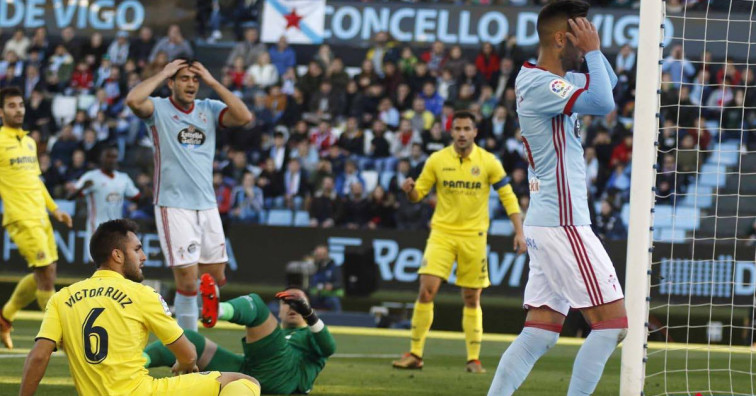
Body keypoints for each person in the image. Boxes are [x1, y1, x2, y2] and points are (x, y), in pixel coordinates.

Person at [487, 2, 627, 395]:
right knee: (612, 325)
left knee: (540, 333)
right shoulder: (537, 83)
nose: (586, 38)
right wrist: (593, 51)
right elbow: (603, 103)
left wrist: (590, 52)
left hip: (548, 221)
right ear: (561, 38)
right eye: (579, 33)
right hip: (563, 223)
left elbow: (607, 85)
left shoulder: (555, 81)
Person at [19, 219, 259, 396]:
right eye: (137, 249)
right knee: (244, 382)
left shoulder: (62, 298)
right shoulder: (143, 295)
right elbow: (188, 354)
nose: (143, 256)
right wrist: (185, 365)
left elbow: (39, 357)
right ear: (117, 255)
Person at [392, 111, 526, 373]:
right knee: (426, 290)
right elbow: (419, 194)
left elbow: (508, 196)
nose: (462, 133)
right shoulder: (437, 160)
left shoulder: (489, 162)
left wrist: (519, 232)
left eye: (467, 128)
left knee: (471, 298)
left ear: (475, 132)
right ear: (451, 132)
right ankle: (416, 354)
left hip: (474, 236)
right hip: (442, 233)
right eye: (458, 129)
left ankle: (473, 359)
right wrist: (410, 191)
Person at [126, 58, 253, 331]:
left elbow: (244, 116)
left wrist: (213, 81)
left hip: (207, 204)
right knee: (186, 280)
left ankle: (202, 320)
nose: (191, 84)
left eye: (194, 80)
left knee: (215, 276)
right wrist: (163, 72)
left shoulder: (209, 109)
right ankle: (190, 347)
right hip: (173, 205)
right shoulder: (158, 108)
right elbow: (134, 100)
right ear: (171, 82)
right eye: (184, 78)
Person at [143, 274, 336, 395]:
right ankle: (134, 363)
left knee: (257, 305)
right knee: (191, 341)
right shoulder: (273, 336)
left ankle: (217, 311)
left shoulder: (311, 334)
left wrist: (310, 315)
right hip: (250, 371)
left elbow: (329, 347)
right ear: (279, 310)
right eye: (288, 302)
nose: (293, 306)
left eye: (299, 302)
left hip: (284, 379)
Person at [0, 86, 73, 350]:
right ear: (1, 111)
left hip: (40, 216)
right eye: (11, 105)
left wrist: (55, 210)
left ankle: (5, 317)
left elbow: (36, 181)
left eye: (20, 104)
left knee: (46, 271)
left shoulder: (29, 142)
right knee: (45, 275)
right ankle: (61, 338)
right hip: (20, 218)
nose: (18, 109)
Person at [68, 147, 141, 257]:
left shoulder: (123, 178)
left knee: (115, 262)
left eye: (114, 157)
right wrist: (82, 188)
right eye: (108, 156)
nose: (111, 160)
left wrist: (147, 191)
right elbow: (69, 197)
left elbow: (137, 197)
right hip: (97, 228)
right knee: (97, 261)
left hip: (117, 229)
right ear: (101, 158)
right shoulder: (91, 176)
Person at [309, 245, 343, 311]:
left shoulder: (334, 267)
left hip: (329, 295)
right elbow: (311, 283)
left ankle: (338, 319)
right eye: (318, 255)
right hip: (316, 296)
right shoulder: (314, 268)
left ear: (326, 254)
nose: (320, 257)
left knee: (334, 301)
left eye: (322, 254)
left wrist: (332, 286)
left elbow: (339, 283)